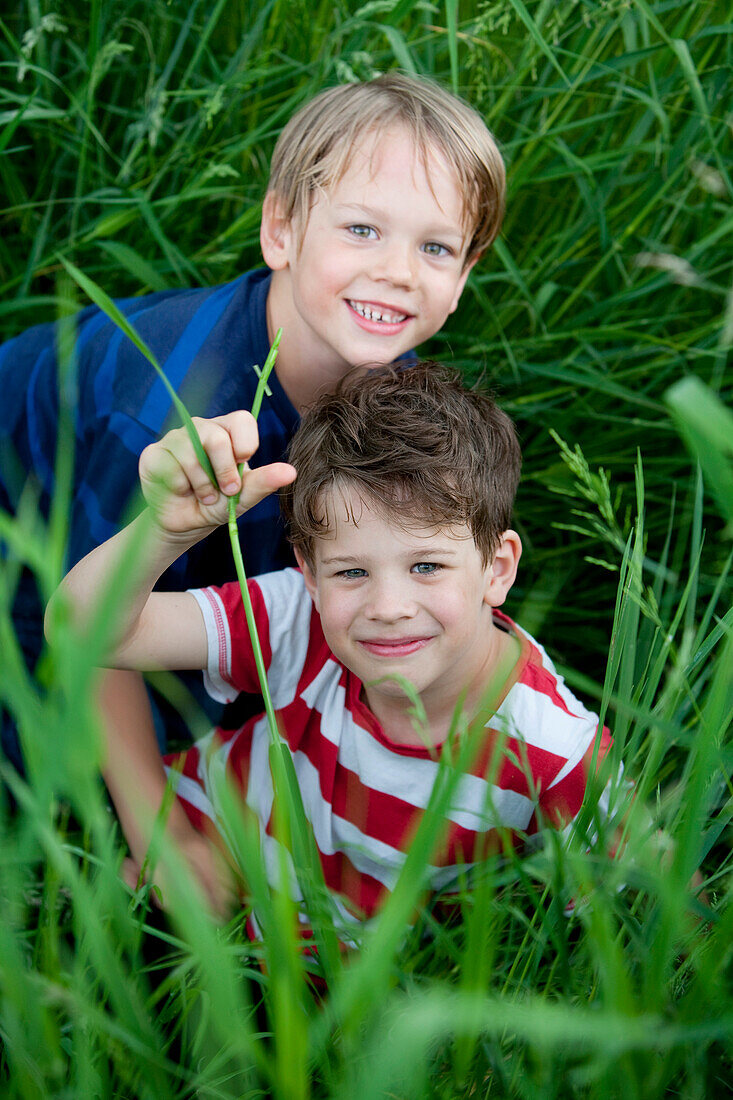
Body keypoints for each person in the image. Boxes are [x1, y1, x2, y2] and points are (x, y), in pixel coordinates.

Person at [0, 72, 506, 796]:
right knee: (66, 770)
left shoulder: (389, 366)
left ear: (462, 277)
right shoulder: (167, 409)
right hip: (41, 558)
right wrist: (156, 833)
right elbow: (91, 620)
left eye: (435, 248)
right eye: (362, 229)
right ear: (282, 231)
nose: (396, 272)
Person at [47, 362, 623, 941]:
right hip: (207, 840)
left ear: (496, 570)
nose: (388, 606)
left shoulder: (557, 757)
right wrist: (165, 532)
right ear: (311, 576)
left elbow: (653, 909)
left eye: (426, 566)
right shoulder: (302, 618)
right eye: (351, 571)